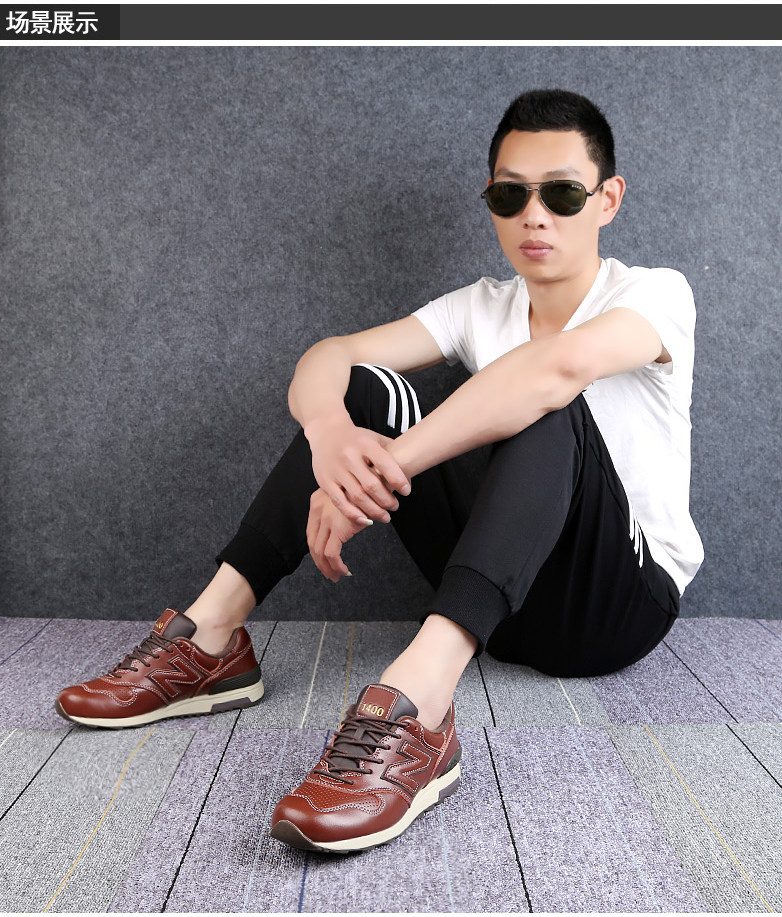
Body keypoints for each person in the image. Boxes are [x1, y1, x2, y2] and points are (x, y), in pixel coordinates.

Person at [55, 88, 704, 854]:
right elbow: (329, 357)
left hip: (617, 607)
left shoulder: (655, 294)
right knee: (363, 388)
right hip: (507, 607)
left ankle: (420, 703)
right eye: (510, 195)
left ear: (607, 199)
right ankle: (213, 639)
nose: (535, 216)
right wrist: (332, 436)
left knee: (547, 402)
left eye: (562, 194)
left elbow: (556, 370)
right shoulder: (480, 307)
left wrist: (388, 462)